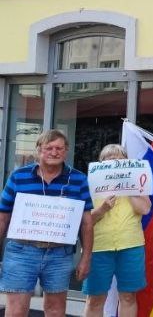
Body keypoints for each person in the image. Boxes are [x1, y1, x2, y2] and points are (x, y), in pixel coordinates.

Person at [0, 129, 94, 317]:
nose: (54, 152)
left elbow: (86, 223)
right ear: (38, 150)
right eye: (49, 148)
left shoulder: (78, 179)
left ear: (66, 151)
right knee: (16, 311)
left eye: (59, 148)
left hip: (59, 254)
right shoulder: (18, 177)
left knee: (56, 311)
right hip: (21, 252)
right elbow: (3, 217)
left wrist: (86, 258)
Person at [82, 144, 151, 317]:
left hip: (130, 246)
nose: (116, 164)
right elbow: (84, 222)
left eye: (120, 160)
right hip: (98, 247)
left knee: (128, 297)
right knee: (95, 299)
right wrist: (102, 209)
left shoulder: (137, 183)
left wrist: (128, 187)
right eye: (111, 160)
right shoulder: (90, 184)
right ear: (101, 164)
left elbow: (145, 209)